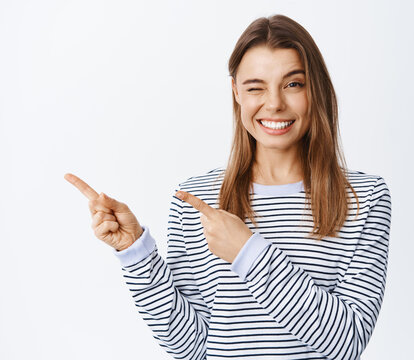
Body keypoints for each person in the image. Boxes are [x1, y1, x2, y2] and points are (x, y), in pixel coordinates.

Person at [65, 14, 392, 360]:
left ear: (316, 89)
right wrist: (136, 252)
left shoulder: (364, 198)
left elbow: (347, 344)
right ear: (236, 92)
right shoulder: (197, 199)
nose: (274, 103)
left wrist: (248, 252)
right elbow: (191, 347)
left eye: (293, 84)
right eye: (255, 87)